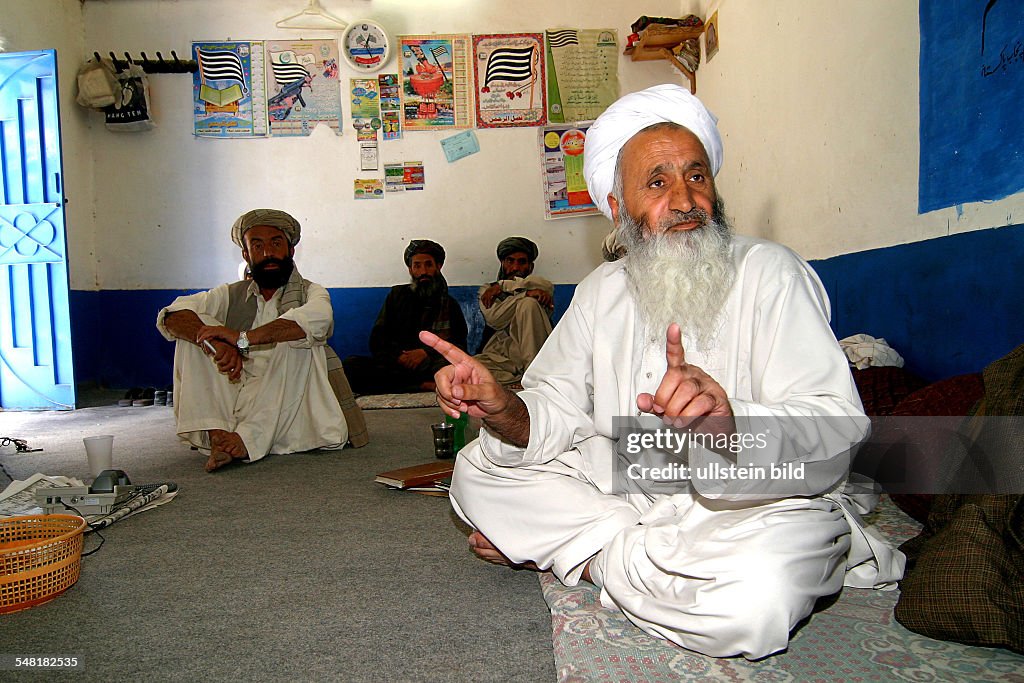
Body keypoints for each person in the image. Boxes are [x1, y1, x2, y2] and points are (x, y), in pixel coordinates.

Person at [420, 84, 905, 660]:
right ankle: (636, 558)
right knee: (476, 471)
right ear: (619, 208)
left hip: (755, 502)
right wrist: (506, 409)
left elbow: (835, 429)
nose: (684, 201)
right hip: (630, 480)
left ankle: (592, 554)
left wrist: (730, 423)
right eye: (657, 183)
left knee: (756, 603)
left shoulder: (771, 273)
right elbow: (559, 403)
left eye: (696, 177)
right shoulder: (604, 289)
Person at [157, 208, 365, 472]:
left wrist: (242, 339)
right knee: (197, 332)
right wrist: (218, 344)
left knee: (295, 338)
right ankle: (219, 434)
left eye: (276, 243)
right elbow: (172, 314)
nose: (268, 253)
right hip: (238, 387)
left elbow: (318, 320)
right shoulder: (230, 294)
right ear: (246, 254)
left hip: (292, 398)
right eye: (257, 245)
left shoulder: (313, 292)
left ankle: (246, 441)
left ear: (290, 250)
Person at [343, 240, 468, 395]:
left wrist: (425, 353)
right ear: (410, 269)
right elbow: (377, 340)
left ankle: (416, 384)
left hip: (432, 364)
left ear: (438, 267)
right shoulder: (396, 296)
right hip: (398, 365)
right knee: (350, 366)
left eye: (428, 265)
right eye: (417, 266)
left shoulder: (449, 304)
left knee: (457, 369)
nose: (423, 271)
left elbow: (459, 345)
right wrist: (399, 357)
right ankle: (422, 386)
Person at [474, 237, 554, 386]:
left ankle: (532, 377)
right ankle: (519, 378)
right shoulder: (489, 290)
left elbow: (546, 287)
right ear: (503, 264)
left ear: (530, 266)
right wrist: (524, 294)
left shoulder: (541, 287)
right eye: (510, 261)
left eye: (522, 262)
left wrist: (504, 286)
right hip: (504, 358)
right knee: (468, 369)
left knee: (528, 304)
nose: (515, 267)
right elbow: (495, 319)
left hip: (537, 356)